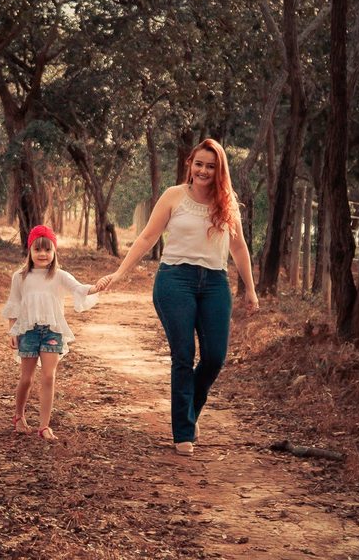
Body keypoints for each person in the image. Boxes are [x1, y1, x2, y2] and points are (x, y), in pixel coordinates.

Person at [96, 138, 258, 456]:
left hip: (215, 283)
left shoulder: (227, 203)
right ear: (190, 164)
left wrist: (250, 289)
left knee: (214, 357)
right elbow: (148, 236)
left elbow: (239, 248)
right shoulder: (174, 196)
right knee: (183, 355)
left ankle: (189, 410)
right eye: (199, 164)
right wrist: (120, 273)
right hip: (175, 280)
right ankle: (183, 432)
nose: (203, 170)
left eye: (211, 166)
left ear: (219, 170)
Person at [2, 224, 103, 442]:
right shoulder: (20, 277)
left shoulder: (59, 276)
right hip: (28, 331)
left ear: (54, 251)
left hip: (52, 332)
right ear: (29, 250)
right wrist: (12, 331)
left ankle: (44, 426)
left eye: (48, 249)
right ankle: (19, 416)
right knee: (27, 378)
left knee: (49, 376)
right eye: (37, 249)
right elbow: (14, 304)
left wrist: (97, 287)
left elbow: (80, 289)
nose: (43, 254)